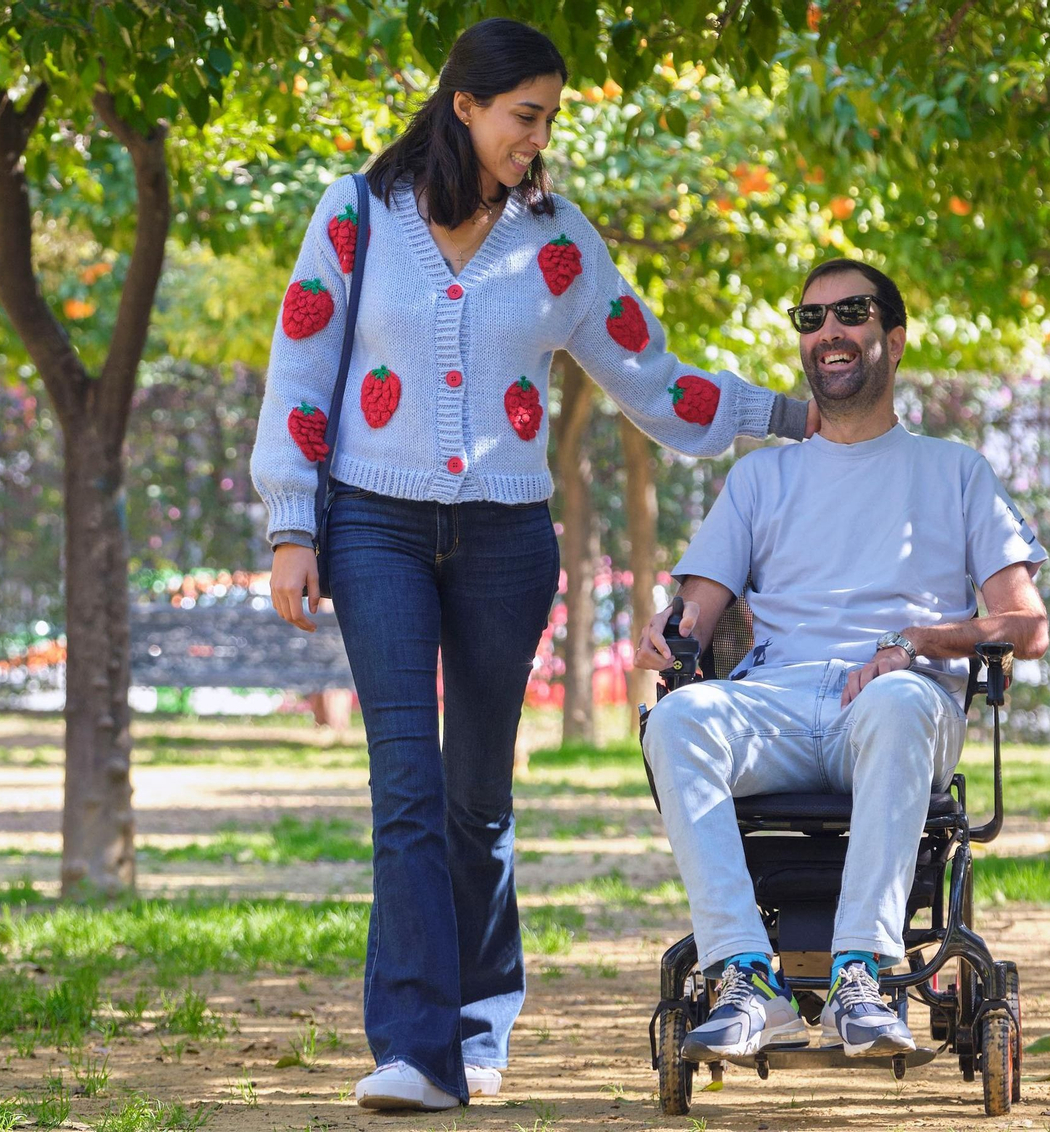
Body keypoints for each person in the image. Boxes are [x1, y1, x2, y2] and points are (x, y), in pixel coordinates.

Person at [249, 19, 814, 1111]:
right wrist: (289, 523)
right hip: (373, 528)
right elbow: (300, 366)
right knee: (406, 785)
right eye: (525, 114)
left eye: (549, 116)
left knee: (477, 796)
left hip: (508, 539)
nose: (538, 136)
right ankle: (415, 1046)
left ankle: (477, 1021)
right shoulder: (355, 214)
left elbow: (653, 378)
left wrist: (791, 414)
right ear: (463, 104)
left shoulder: (556, 238)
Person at [633, 258, 1049, 1062]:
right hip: (779, 702)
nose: (829, 332)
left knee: (895, 704)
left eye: (851, 313)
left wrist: (919, 643)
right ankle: (747, 978)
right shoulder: (760, 478)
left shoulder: (955, 471)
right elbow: (692, 615)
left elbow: (1025, 628)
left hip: (900, 702)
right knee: (679, 715)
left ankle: (865, 971)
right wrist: (665, 630)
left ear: (893, 340)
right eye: (811, 318)